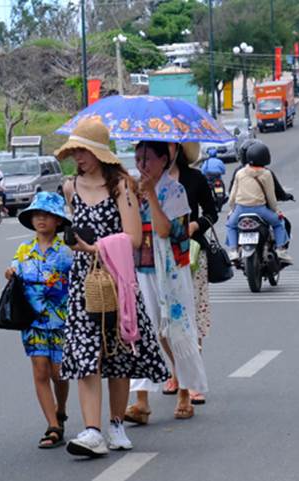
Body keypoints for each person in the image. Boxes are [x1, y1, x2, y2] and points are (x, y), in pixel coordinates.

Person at [57, 118, 169, 457]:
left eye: (83, 151)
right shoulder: (69, 187)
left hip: (118, 280)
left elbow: (134, 238)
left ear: (99, 152)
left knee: (117, 354)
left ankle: (116, 423)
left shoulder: (122, 185)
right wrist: (74, 244)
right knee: (85, 356)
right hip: (82, 282)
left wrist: (96, 248)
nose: (79, 158)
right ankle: (92, 430)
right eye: (74, 152)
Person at [125, 141, 208, 422]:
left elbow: (164, 230)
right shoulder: (132, 190)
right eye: (138, 159)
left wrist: (151, 196)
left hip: (171, 270)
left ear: (164, 159)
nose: (142, 165)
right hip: (141, 267)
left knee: (174, 331)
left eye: (147, 159)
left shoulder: (175, 191)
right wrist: (134, 198)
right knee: (141, 331)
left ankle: (185, 389)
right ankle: (141, 399)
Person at [5, 192, 74, 449]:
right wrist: (10, 271)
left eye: (47, 215)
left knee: (59, 373)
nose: (41, 219)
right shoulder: (24, 250)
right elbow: (12, 268)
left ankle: (61, 408)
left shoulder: (67, 252)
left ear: (57, 221)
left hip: (60, 321)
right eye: (37, 215)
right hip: (32, 321)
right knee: (40, 370)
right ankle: (53, 426)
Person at [172, 142, 217, 405]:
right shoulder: (151, 182)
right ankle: (175, 371)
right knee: (165, 317)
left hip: (192, 253)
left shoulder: (195, 178)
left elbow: (212, 213)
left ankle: (192, 377)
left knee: (192, 311)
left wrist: (195, 224)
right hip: (158, 255)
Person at [225, 143, 292, 264]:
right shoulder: (266, 174)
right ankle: (281, 249)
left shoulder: (239, 173)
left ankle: (233, 250)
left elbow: (232, 196)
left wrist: (232, 209)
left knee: (230, 225)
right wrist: (276, 210)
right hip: (260, 210)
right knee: (278, 223)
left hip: (240, 209)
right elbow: (271, 197)